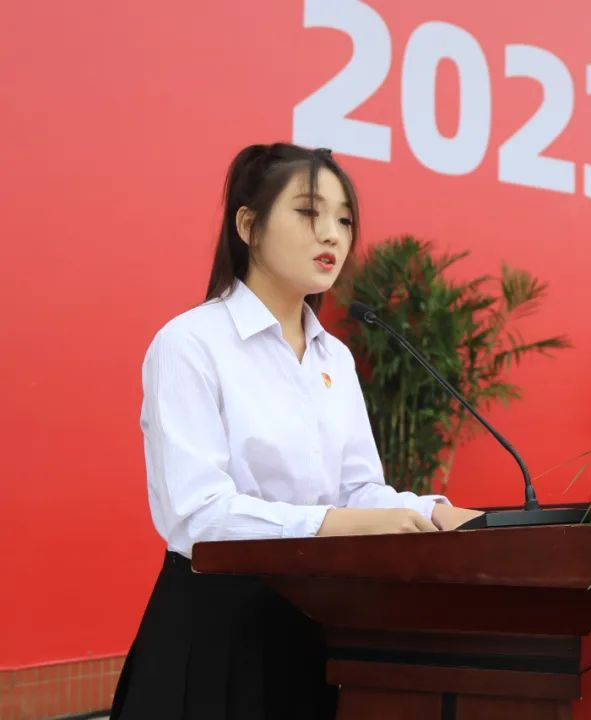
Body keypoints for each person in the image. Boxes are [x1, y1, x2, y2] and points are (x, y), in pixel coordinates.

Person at [111, 144, 481, 719]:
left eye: (344, 220)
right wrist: (335, 524)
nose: (331, 234)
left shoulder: (335, 358)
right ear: (248, 226)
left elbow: (357, 491)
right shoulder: (190, 344)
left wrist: (432, 514)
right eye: (309, 212)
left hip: (314, 628)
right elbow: (198, 516)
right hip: (215, 635)